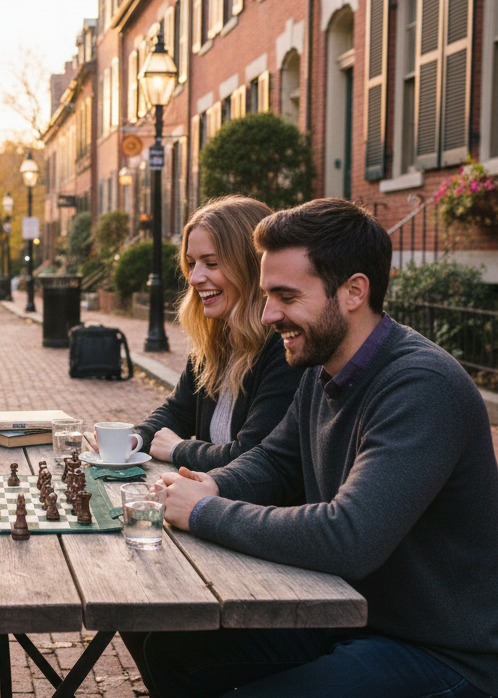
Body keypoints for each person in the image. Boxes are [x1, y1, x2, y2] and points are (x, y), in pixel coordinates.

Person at [148, 199, 498, 697]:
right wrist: (214, 482)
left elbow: (350, 536)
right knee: (174, 651)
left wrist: (206, 510)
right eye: (267, 295)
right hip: (346, 615)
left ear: (354, 291)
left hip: (437, 651)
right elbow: (275, 459)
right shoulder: (320, 365)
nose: (269, 314)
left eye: (286, 296)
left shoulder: (421, 386)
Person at [124, 196, 305, 472]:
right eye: (192, 263)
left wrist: (178, 449)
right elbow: (178, 411)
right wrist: (134, 439)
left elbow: (253, 456)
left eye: (210, 263)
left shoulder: (284, 347)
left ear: (249, 266)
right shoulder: (217, 337)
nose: (195, 277)